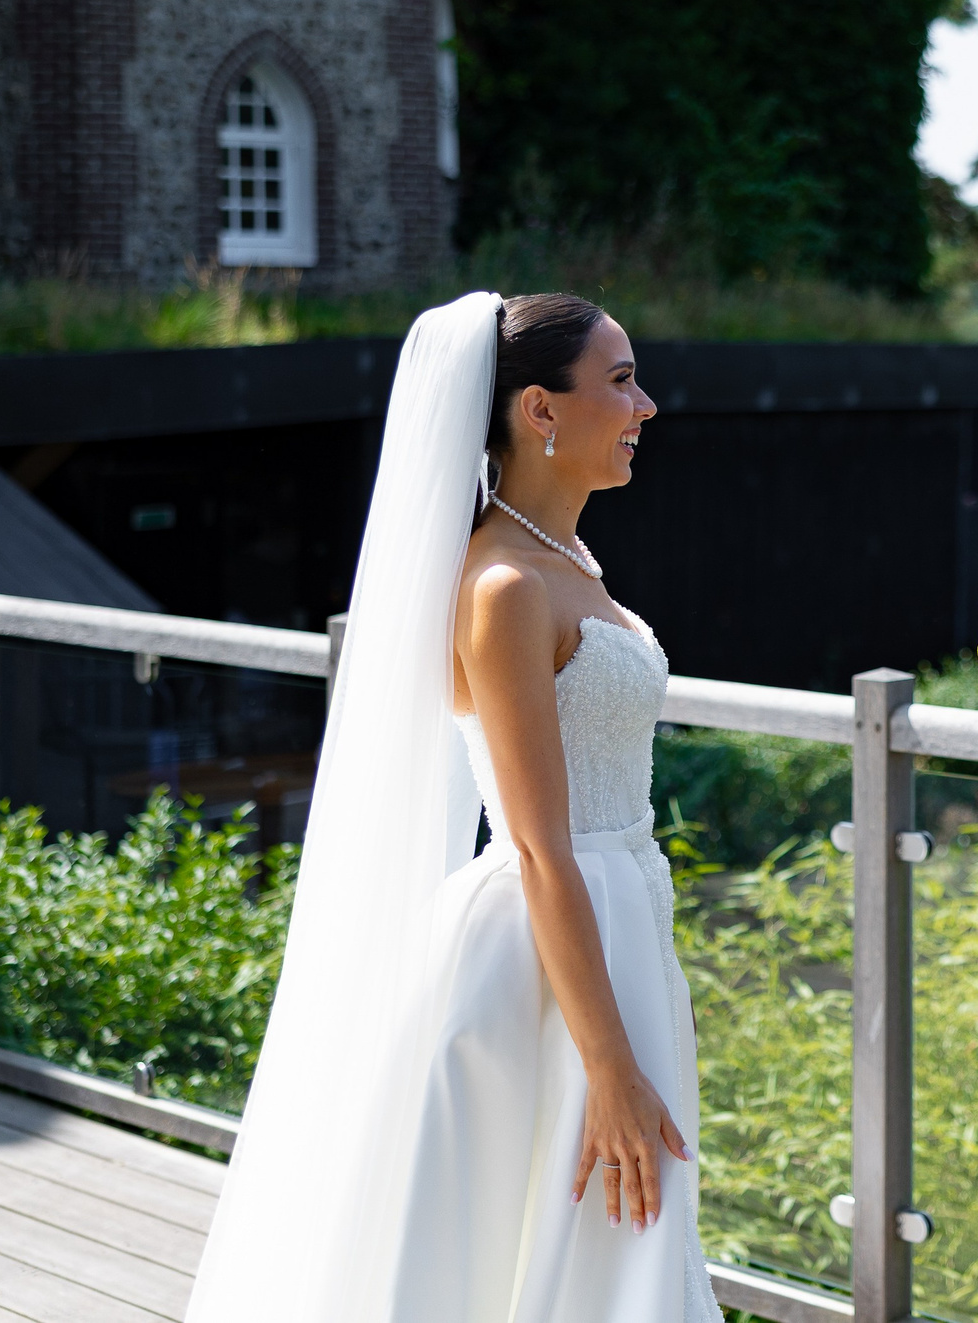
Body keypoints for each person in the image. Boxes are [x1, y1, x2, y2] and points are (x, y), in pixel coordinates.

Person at [187, 292, 718, 1323]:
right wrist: (607, 1064)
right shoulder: (505, 585)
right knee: (560, 1228)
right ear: (539, 411)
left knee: (617, 1232)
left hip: (618, 920)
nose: (645, 406)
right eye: (619, 382)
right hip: (542, 945)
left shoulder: (566, 563)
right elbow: (535, 844)